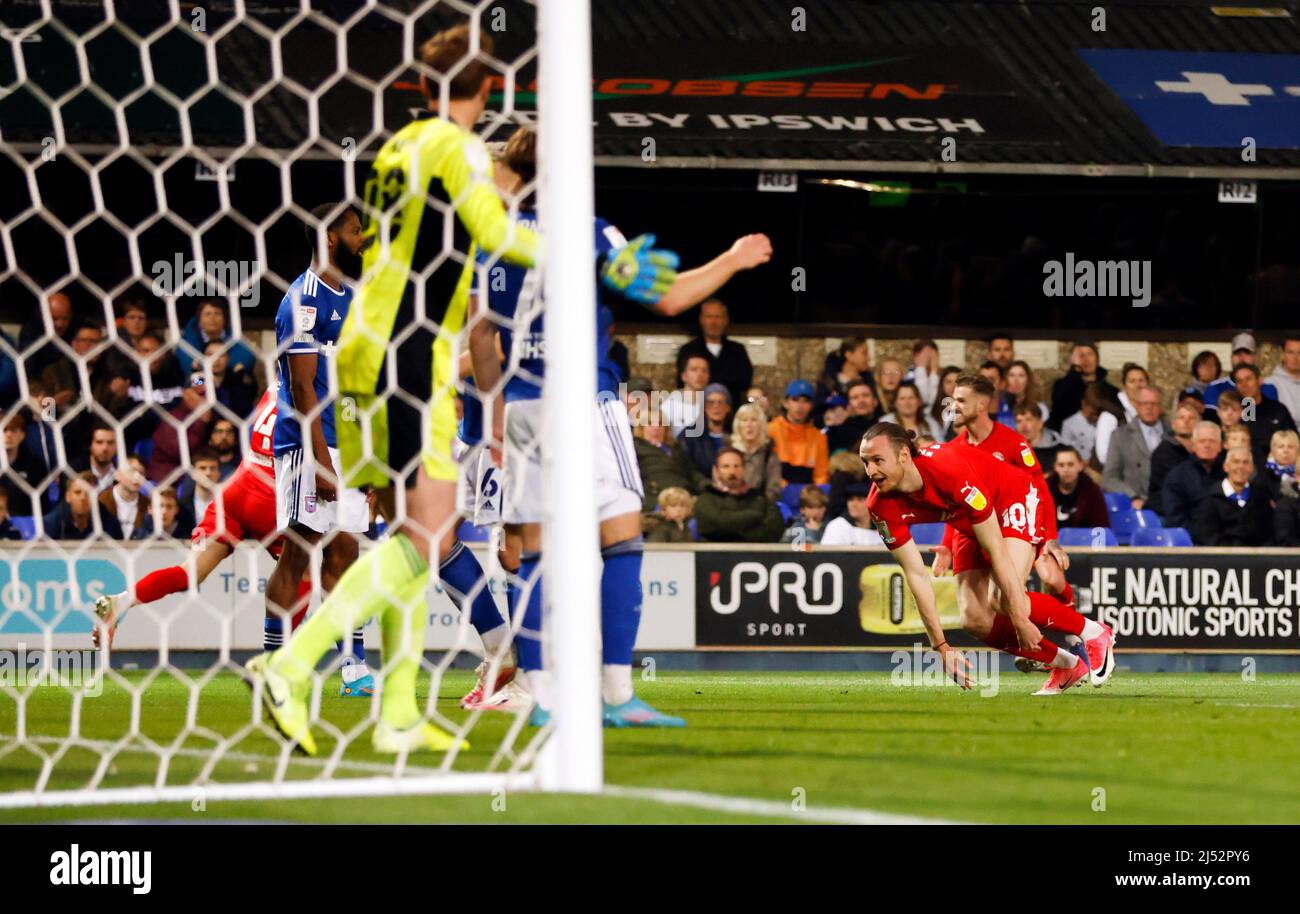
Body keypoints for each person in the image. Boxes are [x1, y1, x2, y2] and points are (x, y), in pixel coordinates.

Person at [463, 123, 748, 729]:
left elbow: (481, 338)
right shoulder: (590, 234)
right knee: (621, 544)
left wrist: (494, 422)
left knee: (536, 557)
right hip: (585, 405)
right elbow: (668, 298)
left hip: (521, 412)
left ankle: (543, 701)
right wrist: (734, 258)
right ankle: (618, 695)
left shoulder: (492, 245)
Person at [860, 425, 1114, 696]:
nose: (871, 471)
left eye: (878, 460)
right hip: (968, 519)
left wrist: (1019, 618)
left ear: (903, 456)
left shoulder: (948, 472)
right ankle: (1066, 665)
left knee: (1004, 599)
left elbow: (997, 550)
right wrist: (941, 647)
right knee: (974, 619)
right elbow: (915, 575)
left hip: (1011, 497)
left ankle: (1094, 632)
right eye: (865, 462)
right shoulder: (879, 506)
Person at [264, 202, 373, 698]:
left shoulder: (350, 298)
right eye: (355, 231)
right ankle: (276, 666)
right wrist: (323, 466)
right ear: (331, 238)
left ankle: (352, 666)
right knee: (298, 556)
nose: (363, 239)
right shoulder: (301, 301)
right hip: (307, 447)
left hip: (346, 442)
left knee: (346, 554)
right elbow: (303, 390)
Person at [942, 374, 1073, 613]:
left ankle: (1076, 624)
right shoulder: (953, 451)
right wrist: (945, 546)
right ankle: (1043, 643)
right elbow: (954, 503)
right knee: (984, 612)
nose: (953, 406)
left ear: (981, 404)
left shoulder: (1013, 443)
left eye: (960, 400)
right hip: (980, 533)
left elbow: (1040, 489)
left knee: (1050, 579)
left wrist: (1050, 537)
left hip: (1018, 527)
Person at [1102, 384, 1171, 510]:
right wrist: (1132, 496)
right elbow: (1110, 478)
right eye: (1144, 403)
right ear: (1136, 405)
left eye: (1153, 403)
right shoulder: (1120, 436)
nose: (1149, 408)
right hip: (1135, 504)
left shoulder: (1172, 433)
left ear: (1160, 406)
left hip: (1169, 503)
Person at [674, 298, 754, 407]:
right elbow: (681, 383)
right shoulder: (688, 350)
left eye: (718, 317)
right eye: (709, 317)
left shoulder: (738, 351)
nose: (713, 322)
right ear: (701, 319)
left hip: (731, 411)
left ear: (726, 320)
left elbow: (744, 382)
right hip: (696, 410)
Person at [693, 447, 784, 543]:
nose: (732, 472)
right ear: (716, 471)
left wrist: (739, 534)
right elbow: (716, 525)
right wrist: (755, 516)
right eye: (726, 466)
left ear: (744, 469)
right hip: (715, 555)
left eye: (736, 466)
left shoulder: (759, 497)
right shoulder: (706, 499)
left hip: (754, 554)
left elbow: (775, 529)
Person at [1192, 447, 1274, 546]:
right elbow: (1207, 535)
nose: (1241, 467)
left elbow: (1268, 533)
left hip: (1257, 557)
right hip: (1221, 557)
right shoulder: (1209, 498)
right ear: (1226, 467)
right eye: (1236, 462)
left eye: (1245, 462)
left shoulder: (1261, 497)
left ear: (1252, 468)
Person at [1161, 421, 1225, 530]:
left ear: (1220, 446)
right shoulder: (1177, 477)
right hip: (1192, 540)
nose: (1207, 445)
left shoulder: (1229, 473)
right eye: (1202, 441)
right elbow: (1175, 519)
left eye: (1212, 441)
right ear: (1193, 446)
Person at [1231, 363, 1296, 464]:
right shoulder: (1235, 411)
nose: (1244, 385)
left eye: (1248, 379)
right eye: (1239, 381)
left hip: (1279, 465)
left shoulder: (1277, 408)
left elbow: (1293, 439)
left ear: (1260, 380)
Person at [768, 379, 829, 486]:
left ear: (811, 406)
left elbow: (821, 476)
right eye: (795, 400)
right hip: (777, 491)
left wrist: (813, 494)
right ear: (786, 403)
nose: (800, 406)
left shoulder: (818, 437)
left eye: (806, 401)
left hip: (809, 494)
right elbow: (767, 470)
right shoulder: (771, 430)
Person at [1048, 341, 1119, 431]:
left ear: (1096, 358)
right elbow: (1060, 410)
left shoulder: (1111, 391)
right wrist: (1076, 371)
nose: (1086, 359)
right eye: (1081, 356)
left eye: (1090, 354)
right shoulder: (1062, 386)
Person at [1147, 398, 1201, 516]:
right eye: (1181, 418)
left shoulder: (1203, 451)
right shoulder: (1163, 452)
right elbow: (1185, 482)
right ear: (1173, 424)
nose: (1186, 421)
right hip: (1166, 511)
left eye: (1191, 418)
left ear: (1199, 424)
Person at [177, 299, 256, 378]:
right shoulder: (187, 339)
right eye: (207, 314)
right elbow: (187, 367)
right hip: (202, 384)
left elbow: (247, 360)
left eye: (217, 313)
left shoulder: (236, 337)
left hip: (229, 383)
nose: (212, 318)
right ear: (199, 321)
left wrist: (221, 376)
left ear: (225, 319)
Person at [1204, 331, 1279, 413]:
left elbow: (1266, 419)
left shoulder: (1268, 388)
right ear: (1231, 357)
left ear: (1255, 357)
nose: (1241, 357)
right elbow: (1211, 421)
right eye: (1237, 353)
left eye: (1247, 353)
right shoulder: (1216, 387)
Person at [633, 418, 697, 508]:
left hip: (684, 493)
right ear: (641, 428)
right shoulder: (635, 449)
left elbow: (693, 473)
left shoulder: (676, 448)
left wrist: (707, 486)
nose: (656, 427)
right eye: (650, 423)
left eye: (660, 423)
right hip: (655, 496)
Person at [1094, 362, 1148, 468]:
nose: (1138, 385)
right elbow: (1104, 456)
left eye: (1141, 380)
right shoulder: (1110, 416)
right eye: (1132, 381)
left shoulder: (1150, 413)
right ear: (1124, 386)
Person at [42, 472, 123, 540]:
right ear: (68, 496)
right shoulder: (51, 524)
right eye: (77, 492)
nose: (83, 498)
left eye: (88, 493)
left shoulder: (110, 523)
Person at [728, 401, 782, 501]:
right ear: (738, 425)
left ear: (761, 425)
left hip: (760, 508)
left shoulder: (769, 455)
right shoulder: (728, 453)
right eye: (744, 420)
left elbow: (773, 490)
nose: (749, 425)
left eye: (754, 420)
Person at [1, 409, 49, 517]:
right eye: (4, 430)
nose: (8, 435)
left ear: (22, 435)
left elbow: (43, 504)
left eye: (13, 430)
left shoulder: (36, 466)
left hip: (27, 523)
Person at [1047, 447, 1109, 529]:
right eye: (1061, 465)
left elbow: (1100, 526)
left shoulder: (1092, 491)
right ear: (1055, 468)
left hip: (1084, 540)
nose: (1066, 470)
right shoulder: (1045, 489)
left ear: (1080, 466)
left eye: (1070, 464)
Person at [815, 336, 874, 421]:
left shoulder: (868, 381)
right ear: (849, 355)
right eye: (864, 353)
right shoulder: (829, 381)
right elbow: (818, 411)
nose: (868, 358)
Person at [680, 382, 731, 479]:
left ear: (728, 407)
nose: (716, 406)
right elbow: (687, 468)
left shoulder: (736, 434)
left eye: (721, 402)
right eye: (711, 402)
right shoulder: (690, 436)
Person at [1060, 382, 1117, 468]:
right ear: (1083, 403)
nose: (1096, 418)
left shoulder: (1107, 422)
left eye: (1099, 414)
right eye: (1093, 413)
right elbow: (1065, 451)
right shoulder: (1069, 424)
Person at [98, 455, 150, 539]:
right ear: (117, 475)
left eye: (141, 473)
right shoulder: (101, 501)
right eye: (132, 471)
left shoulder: (148, 505)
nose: (137, 477)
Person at [825, 380, 882, 454]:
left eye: (866, 395)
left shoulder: (885, 430)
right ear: (848, 406)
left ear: (875, 401)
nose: (861, 400)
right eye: (855, 397)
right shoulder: (836, 434)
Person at [818, 482, 884, 546]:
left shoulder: (883, 529)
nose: (854, 504)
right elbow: (828, 556)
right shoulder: (837, 526)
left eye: (860, 500)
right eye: (851, 499)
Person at [662, 353, 709, 439]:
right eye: (694, 369)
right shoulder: (670, 405)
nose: (699, 374)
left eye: (704, 370)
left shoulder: (712, 404)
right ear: (684, 376)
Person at [1015, 401, 1062, 469]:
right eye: (1019, 421)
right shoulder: (1012, 452)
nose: (1023, 425)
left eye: (1028, 420)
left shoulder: (1059, 451)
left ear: (1040, 423)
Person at [1268, 336, 1300, 426]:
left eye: (1299, 353)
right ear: (1282, 355)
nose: (1295, 357)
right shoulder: (1269, 383)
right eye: (1290, 352)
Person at [903, 339, 941, 410]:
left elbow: (934, 403)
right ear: (915, 357)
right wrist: (921, 368)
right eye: (924, 354)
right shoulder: (907, 376)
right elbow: (923, 400)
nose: (928, 358)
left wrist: (934, 372)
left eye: (931, 355)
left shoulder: (942, 377)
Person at [929, 365, 961, 442]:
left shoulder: (968, 411)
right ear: (942, 385)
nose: (953, 386)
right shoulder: (932, 412)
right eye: (948, 382)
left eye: (957, 382)